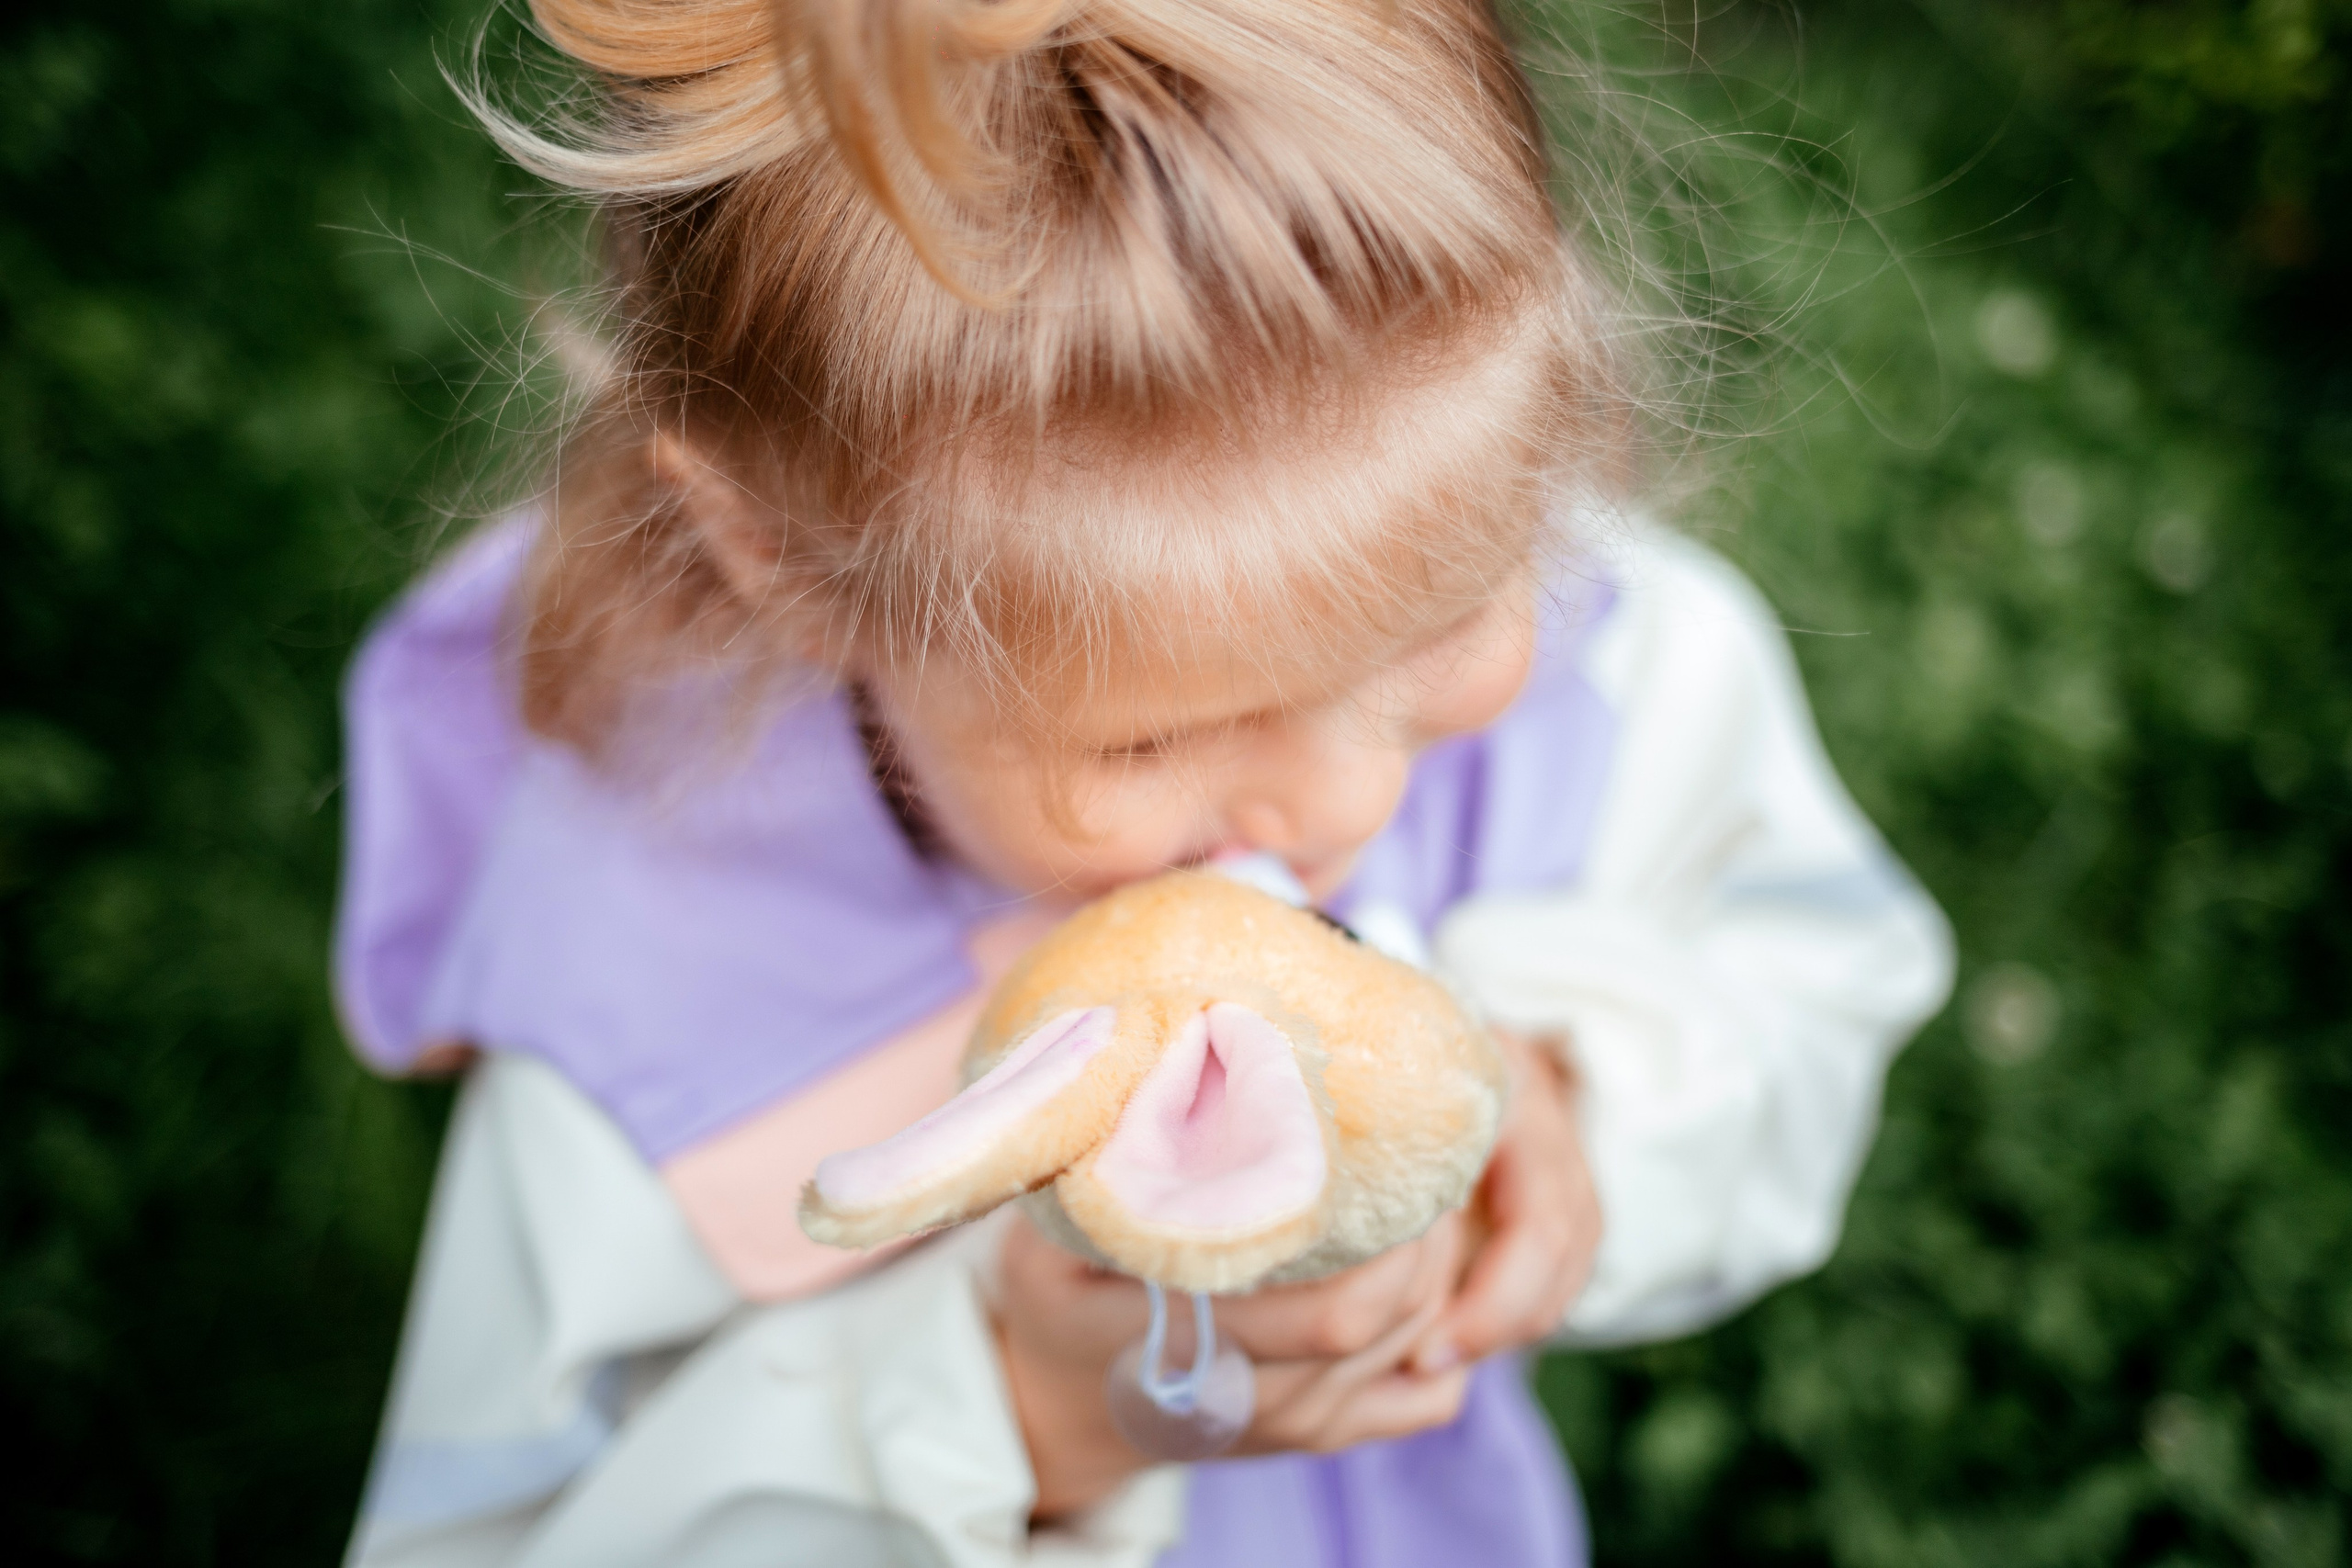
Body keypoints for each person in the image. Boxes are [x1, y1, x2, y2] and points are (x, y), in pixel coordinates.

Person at [334, 0, 1954, 1562]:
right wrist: (1021, 1421)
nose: (1345, 807)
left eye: (1443, 622)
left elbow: (1814, 980)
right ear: (783, 561)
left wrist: (1581, 1111)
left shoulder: (1620, 671)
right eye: (1148, 741)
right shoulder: (646, 1011)